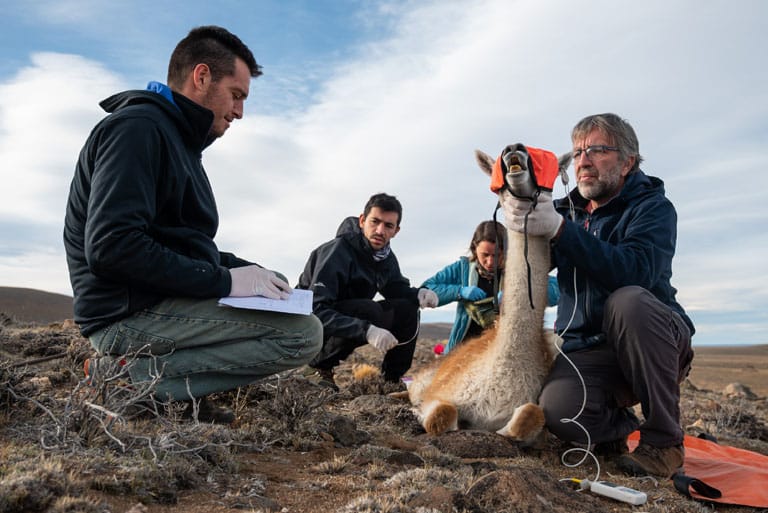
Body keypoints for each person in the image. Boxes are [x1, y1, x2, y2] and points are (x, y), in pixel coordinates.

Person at [63, 26, 323, 423]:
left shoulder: (178, 141)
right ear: (201, 77)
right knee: (302, 333)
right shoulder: (137, 130)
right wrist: (226, 282)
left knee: (277, 288)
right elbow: (112, 247)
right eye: (236, 96)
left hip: (153, 300)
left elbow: (181, 242)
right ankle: (126, 379)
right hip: (125, 314)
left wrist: (244, 270)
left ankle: (173, 393)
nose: (239, 112)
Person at [503, 113, 695, 478]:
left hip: (651, 341)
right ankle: (613, 430)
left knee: (629, 301)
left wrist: (561, 230)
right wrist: (519, 215)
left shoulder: (653, 208)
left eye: (597, 150)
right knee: (560, 411)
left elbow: (634, 271)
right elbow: (528, 269)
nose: (583, 161)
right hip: (588, 350)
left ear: (628, 162)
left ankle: (664, 441)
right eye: (577, 153)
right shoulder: (564, 212)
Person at [296, 193, 439, 389]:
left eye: (388, 225)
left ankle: (391, 381)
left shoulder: (385, 258)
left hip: (346, 319)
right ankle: (317, 367)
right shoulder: (336, 252)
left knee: (408, 308)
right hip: (306, 330)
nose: (380, 230)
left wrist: (418, 294)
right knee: (369, 310)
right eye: (375, 222)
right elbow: (315, 308)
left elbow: (395, 288)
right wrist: (367, 330)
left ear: (396, 231)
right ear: (362, 221)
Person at [422, 220, 559, 354]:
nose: (490, 262)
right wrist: (459, 291)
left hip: (506, 350)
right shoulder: (461, 269)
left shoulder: (518, 269)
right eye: (485, 255)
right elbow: (427, 289)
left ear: (506, 251)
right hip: (462, 352)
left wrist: (516, 293)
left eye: (496, 255)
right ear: (474, 249)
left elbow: (557, 290)